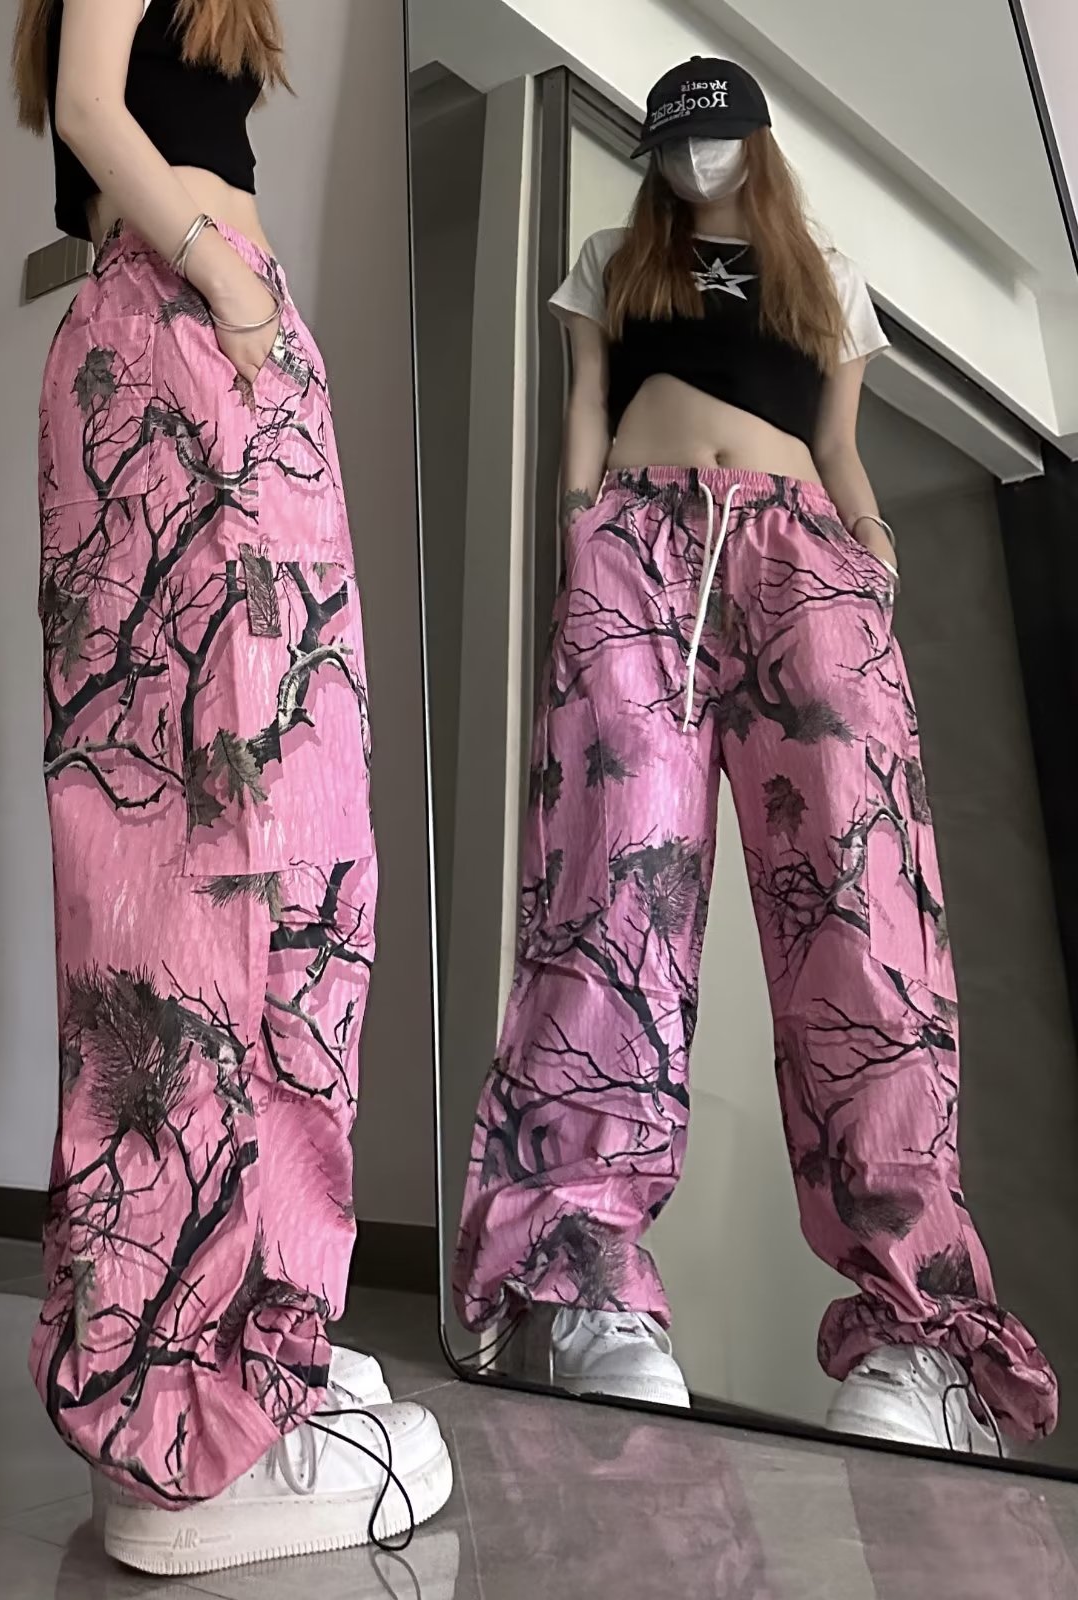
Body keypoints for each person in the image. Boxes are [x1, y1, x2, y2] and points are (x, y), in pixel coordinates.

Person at [453, 56, 1057, 1455]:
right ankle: (584, 1275)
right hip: (638, 547)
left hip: (806, 557)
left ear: (754, 145)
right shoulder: (614, 260)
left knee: (862, 911)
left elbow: (838, 443)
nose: (693, 164)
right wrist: (579, 530)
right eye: (672, 145)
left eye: (713, 141)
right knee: (607, 897)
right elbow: (585, 405)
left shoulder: (821, 271)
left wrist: (870, 552)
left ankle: (919, 1327)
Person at [13, 0, 452, 1575]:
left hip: (221, 339)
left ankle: (256, 1350)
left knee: (292, 844)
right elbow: (90, 103)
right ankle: (179, 1424)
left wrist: (244, 297)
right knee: (202, 866)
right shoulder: (181, 282)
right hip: (187, 330)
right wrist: (220, 270)